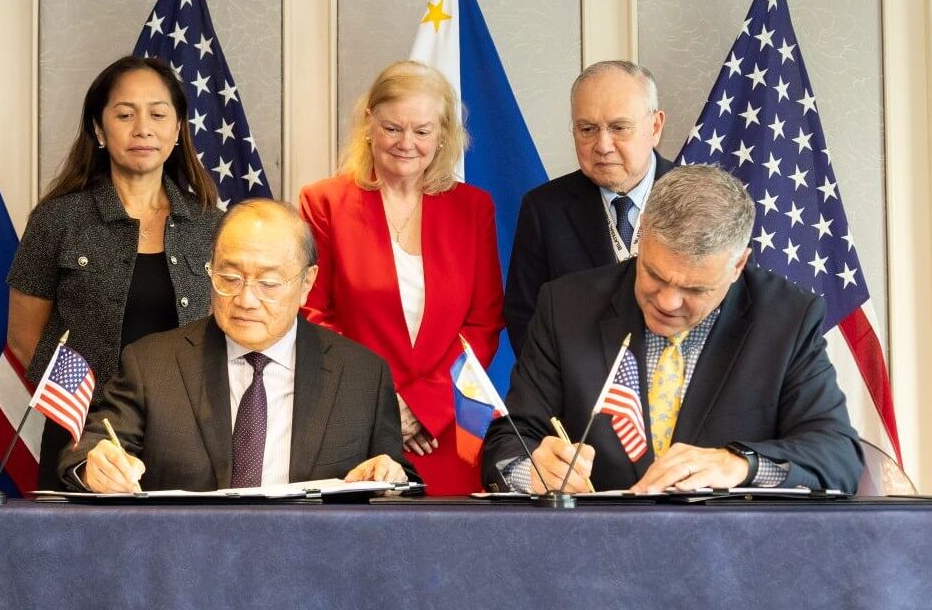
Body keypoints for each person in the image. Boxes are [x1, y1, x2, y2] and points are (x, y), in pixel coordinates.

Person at [482, 165, 863, 494]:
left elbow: (837, 456)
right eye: (654, 274)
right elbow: (507, 443)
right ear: (642, 234)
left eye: (694, 289)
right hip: (594, 555)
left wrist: (739, 465)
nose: (666, 302)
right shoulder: (566, 306)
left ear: (738, 265)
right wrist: (529, 472)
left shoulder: (787, 320)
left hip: (731, 563)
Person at [57, 199, 412, 492]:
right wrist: (95, 467)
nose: (245, 299)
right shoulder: (152, 364)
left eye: (269, 283)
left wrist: (388, 478)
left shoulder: (362, 376)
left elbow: (397, 477)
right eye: (229, 278)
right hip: (184, 563)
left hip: (311, 567)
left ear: (307, 282)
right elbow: (89, 451)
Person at [7, 55, 222, 489]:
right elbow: (24, 335)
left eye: (159, 114)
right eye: (125, 114)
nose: (143, 127)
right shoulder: (57, 219)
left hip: (191, 439)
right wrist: (78, 407)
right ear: (99, 130)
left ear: (177, 130)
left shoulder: (212, 225)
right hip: (82, 436)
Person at [299, 61, 504, 495]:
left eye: (422, 131)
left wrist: (426, 406)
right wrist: (385, 405)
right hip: (354, 423)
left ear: (444, 134)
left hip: (446, 429)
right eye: (393, 127)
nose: (406, 143)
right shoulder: (324, 203)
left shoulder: (473, 209)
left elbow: (483, 325)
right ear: (369, 123)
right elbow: (313, 314)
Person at [505, 60, 674, 356]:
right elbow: (525, 318)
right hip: (579, 394)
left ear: (655, 126)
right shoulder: (544, 209)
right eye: (587, 129)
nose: (603, 145)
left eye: (619, 127)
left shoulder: (707, 200)